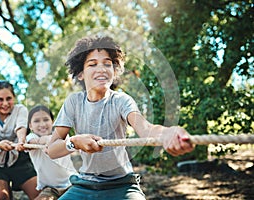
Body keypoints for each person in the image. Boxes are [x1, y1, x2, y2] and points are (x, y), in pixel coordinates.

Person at [46, 35, 195, 200]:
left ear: (113, 71)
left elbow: (146, 129)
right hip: (84, 185)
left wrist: (168, 132)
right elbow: (51, 150)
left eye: (107, 64)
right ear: (80, 73)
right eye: (93, 64)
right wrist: (75, 142)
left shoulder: (121, 101)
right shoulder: (72, 103)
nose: (101, 69)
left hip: (122, 185)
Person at [0, 80, 39, 200]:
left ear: (14, 97)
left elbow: (21, 127)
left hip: (19, 159)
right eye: (0, 100)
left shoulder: (20, 109)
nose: (5, 103)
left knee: (41, 195)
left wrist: (21, 141)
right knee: (1, 197)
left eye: (9, 98)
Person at [26, 105, 78, 200]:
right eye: (36, 121)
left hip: (71, 183)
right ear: (30, 126)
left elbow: (66, 146)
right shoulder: (30, 137)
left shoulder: (62, 136)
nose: (42, 124)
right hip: (50, 188)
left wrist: (51, 142)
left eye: (46, 120)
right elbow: (32, 142)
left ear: (53, 122)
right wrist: (46, 140)